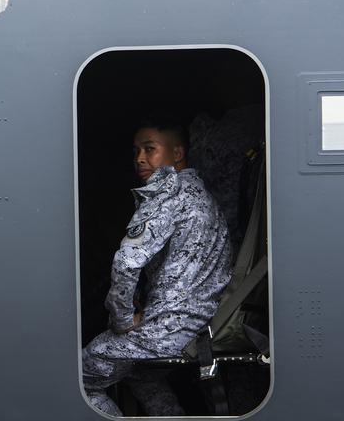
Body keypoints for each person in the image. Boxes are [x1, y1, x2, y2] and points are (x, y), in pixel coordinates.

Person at [82, 118, 232, 416]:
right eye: (136, 150)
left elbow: (126, 262)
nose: (139, 158)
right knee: (139, 375)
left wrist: (122, 321)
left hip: (167, 329)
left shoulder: (167, 196)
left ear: (177, 154)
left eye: (150, 149)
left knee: (75, 381)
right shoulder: (200, 194)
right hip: (202, 326)